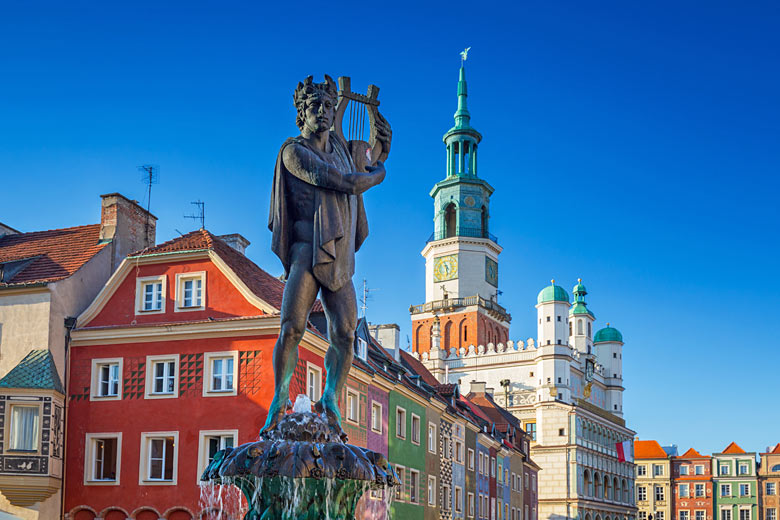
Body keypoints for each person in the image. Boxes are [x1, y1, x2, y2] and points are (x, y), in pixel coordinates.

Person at [263, 75, 390, 439]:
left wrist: (382, 138)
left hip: (337, 258)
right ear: (301, 113)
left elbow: (369, 155)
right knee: (292, 328)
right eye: (314, 106)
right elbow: (347, 182)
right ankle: (279, 396)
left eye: (327, 106)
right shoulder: (294, 152)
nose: (322, 111)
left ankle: (330, 397)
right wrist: (378, 175)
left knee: (346, 334)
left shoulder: (339, 147)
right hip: (305, 250)